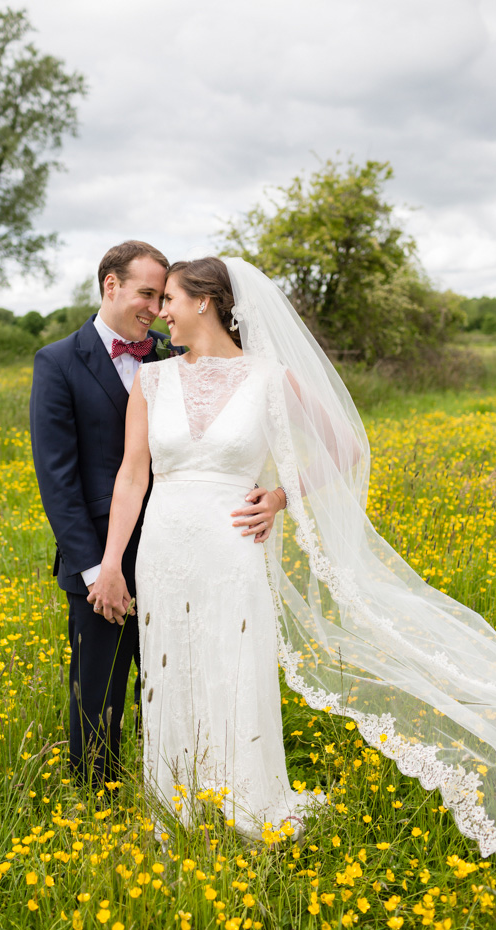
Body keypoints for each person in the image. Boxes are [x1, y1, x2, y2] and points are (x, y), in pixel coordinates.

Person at [89, 256, 496, 855]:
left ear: (204, 302)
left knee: (233, 664)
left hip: (233, 545)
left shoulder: (269, 377)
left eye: (170, 299)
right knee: (170, 672)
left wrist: (280, 495)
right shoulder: (152, 381)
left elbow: (345, 445)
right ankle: (175, 806)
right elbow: (130, 477)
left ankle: (247, 804)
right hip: (164, 547)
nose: (161, 312)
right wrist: (111, 563)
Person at [29, 243, 272, 788]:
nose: (155, 308)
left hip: (185, 547)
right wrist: (98, 567)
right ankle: (95, 801)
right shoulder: (58, 362)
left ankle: (187, 784)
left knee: (181, 678)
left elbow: (222, 433)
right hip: (102, 555)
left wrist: (269, 495)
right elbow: (58, 480)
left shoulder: (176, 356)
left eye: (164, 297)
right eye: (146, 294)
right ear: (110, 286)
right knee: (99, 689)